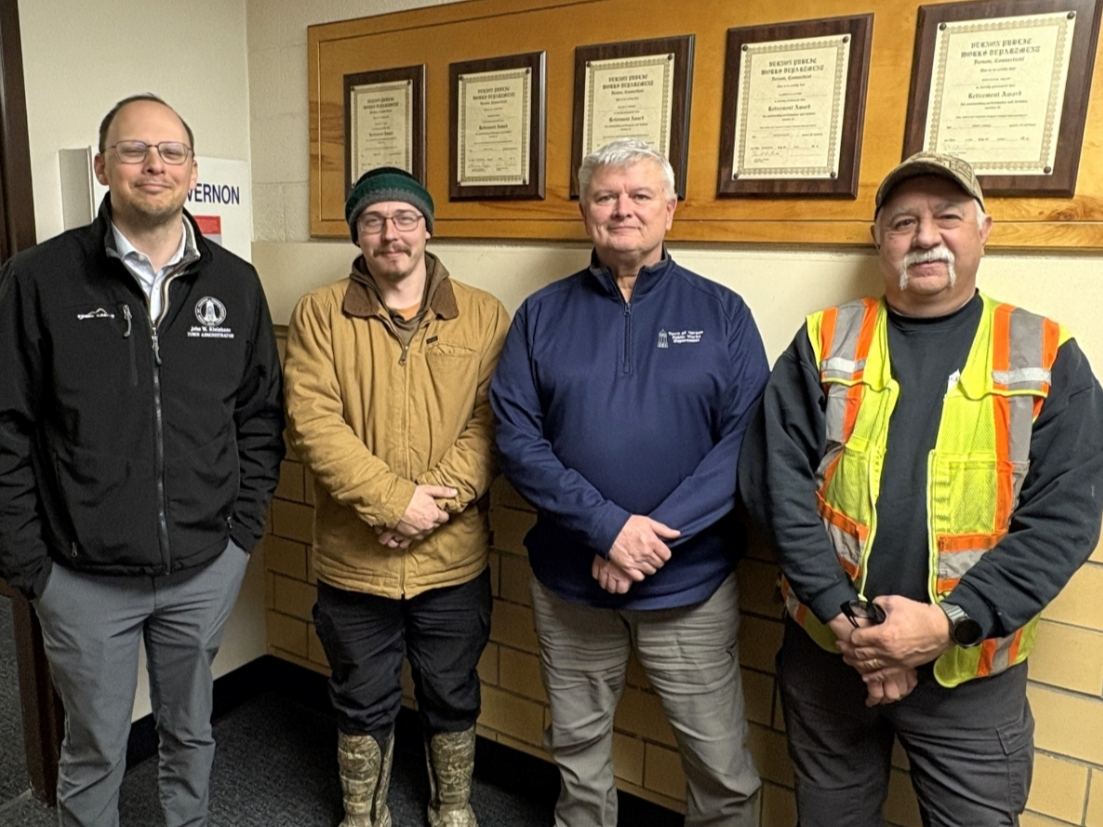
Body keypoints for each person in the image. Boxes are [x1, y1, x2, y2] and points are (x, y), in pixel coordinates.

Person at [738, 152, 1103, 826]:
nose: (925, 235)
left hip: (970, 675)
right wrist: (846, 619)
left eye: (947, 217)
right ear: (879, 237)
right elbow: (774, 484)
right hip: (829, 657)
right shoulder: (823, 339)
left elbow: (1063, 520)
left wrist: (943, 624)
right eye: (903, 221)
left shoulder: (1047, 353)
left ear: (983, 229)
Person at [0, 94, 285, 827]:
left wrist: (239, 534)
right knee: (94, 746)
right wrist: (33, 566)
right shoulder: (38, 280)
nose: (153, 165)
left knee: (191, 730)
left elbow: (259, 417)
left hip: (202, 567)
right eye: (133, 150)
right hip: (81, 575)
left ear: (192, 170)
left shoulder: (234, 283)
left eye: (170, 152)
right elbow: (6, 427)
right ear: (102, 166)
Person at [490, 139, 769, 827]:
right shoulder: (540, 315)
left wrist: (644, 540)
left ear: (669, 209)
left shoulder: (721, 312)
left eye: (640, 195)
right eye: (606, 196)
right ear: (584, 209)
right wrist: (606, 527)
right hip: (570, 583)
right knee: (577, 755)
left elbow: (745, 441)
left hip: (689, 586)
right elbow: (517, 440)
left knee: (720, 766)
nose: (622, 210)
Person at [284, 166, 509, 827]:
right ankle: (364, 813)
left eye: (404, 218)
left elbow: (493, 424)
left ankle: (453, 808)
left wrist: (430, 509)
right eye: (373, 220)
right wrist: (392, 503)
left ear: (428, 227)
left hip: (453, 559)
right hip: (355, 561)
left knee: (452, 691)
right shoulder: (320, 312)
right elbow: (312, 422)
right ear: (357, 232)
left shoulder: (483, 313)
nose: (390, 233)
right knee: (360, 697)